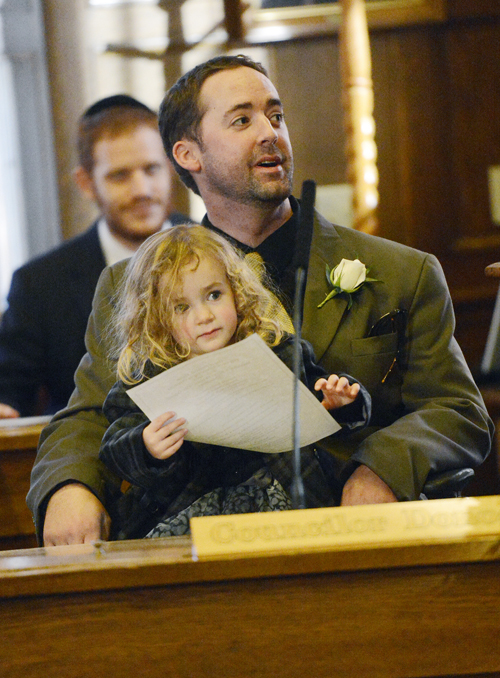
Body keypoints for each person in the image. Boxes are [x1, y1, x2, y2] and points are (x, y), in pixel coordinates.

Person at [28, 55, 493, 546]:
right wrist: (68, 487)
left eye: (276, 116)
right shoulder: (132, 285)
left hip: (357, 540)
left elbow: (457, 410)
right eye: (242, 120)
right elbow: (87, 415)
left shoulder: (402, 272)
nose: (270, 133)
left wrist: (382, 470)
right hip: (196, 552)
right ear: (188, 155)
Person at [98, 225, 370, 539]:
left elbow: (317, 391)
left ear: (236, 292)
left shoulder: (277, 351)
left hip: (288, 492)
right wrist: (146, 446)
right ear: (157, 318)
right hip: (191, 508)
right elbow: (115, 442)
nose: (204, 316)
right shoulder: (151, 375)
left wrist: (339, 401)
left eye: (214, 295)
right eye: (182, 307)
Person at [0, 94, 187, 418]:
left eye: (151, 168)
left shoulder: (222, 248)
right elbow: (9, 390)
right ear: (86, 183)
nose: (142, 189)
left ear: (171, 167)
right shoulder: (39, 284)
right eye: (120, 175)